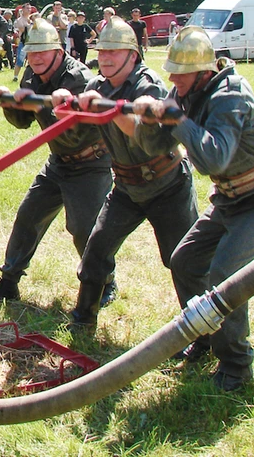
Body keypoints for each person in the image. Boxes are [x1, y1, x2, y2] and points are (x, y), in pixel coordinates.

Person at [134, 26, 254, 391]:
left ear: (205, 72)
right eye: (172, 71)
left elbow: (212, 158)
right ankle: (205, 335)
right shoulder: (183, 91)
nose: (173, 79)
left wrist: (175, 118)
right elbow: (154, 146)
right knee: (186, 261)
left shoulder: (230, 94)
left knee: (226, 275)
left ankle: (237, 364)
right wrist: (149, 122)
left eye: (181, 72)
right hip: (230, 198)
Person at [53, 18, 198, 327]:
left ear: (132, 56)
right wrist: (66, 109)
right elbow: (80, 131)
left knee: (184, 262)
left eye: (114, 52)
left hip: (167, 185)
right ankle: (82, 319)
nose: (105, 58)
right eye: (102, 51)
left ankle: (202, 336)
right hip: (126, 188)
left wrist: (110, 109)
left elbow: (150, 141)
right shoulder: (96, 86)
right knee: (95, 252)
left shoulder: (149, 86)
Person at [0, 19, 112, 302]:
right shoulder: (31, 76)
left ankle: (104, 282)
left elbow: (78, 128)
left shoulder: (78, 78)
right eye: (31, 53)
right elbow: (22, 123)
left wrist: (43, 103)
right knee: (28, 216)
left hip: (90, 162)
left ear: (59, 51)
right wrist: (11, 104)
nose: (37, 58)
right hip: (58, 161)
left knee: (84, 229)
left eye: (43, 52)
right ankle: (9, 281)